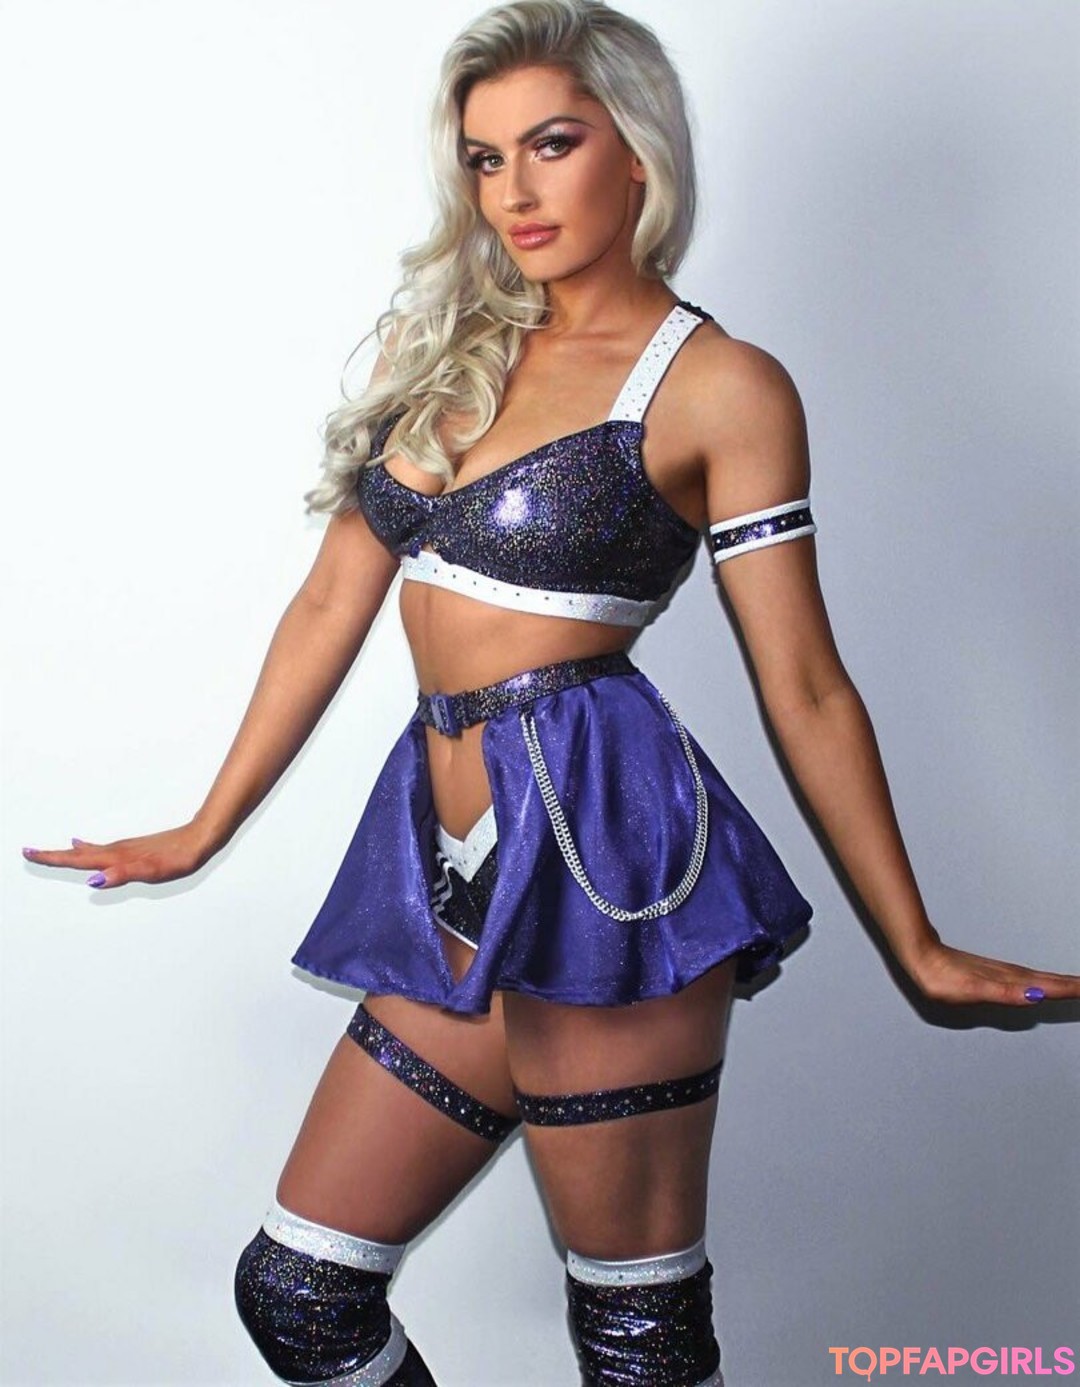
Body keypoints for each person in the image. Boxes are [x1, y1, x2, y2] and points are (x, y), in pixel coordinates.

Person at [22, 1, 1080, 1384]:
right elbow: (332, 603)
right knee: (302, 1294)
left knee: (636, 1341)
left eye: (552, 145)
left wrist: (916, 944)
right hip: (457, 871)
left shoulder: (720, 388)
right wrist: (202, 827)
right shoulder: (443, 355)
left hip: (608, 861)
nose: (514, 190)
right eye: (484, 158)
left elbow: (807, 685)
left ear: (637, 154)